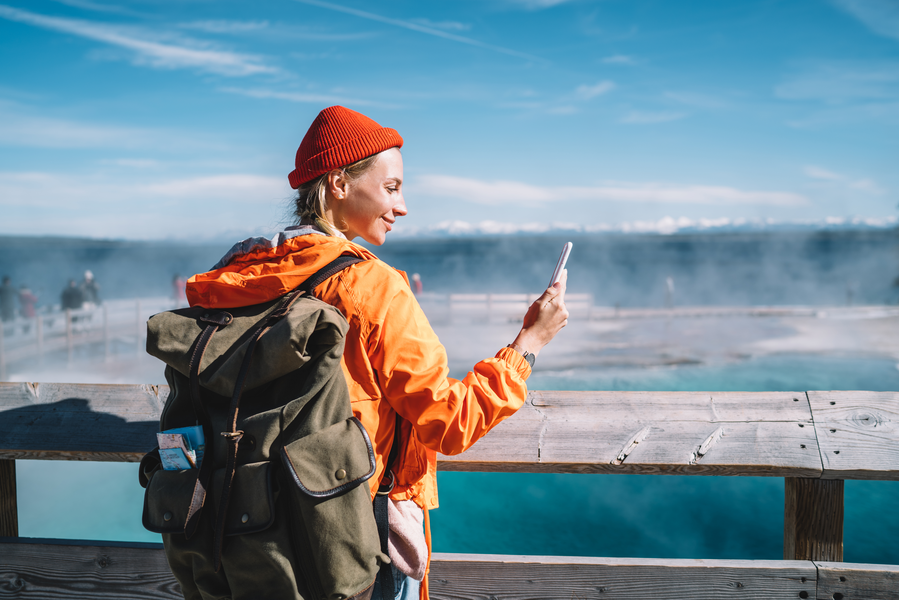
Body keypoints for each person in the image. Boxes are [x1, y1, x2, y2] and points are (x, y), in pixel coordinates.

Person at [186, 106, 568, 600]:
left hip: (245, 531)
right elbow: (446, 421)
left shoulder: (239, 277)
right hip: (347, 539)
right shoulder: (370, 286)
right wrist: (528, 345)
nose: (403, 206)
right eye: (391, 188)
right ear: (339, 183)